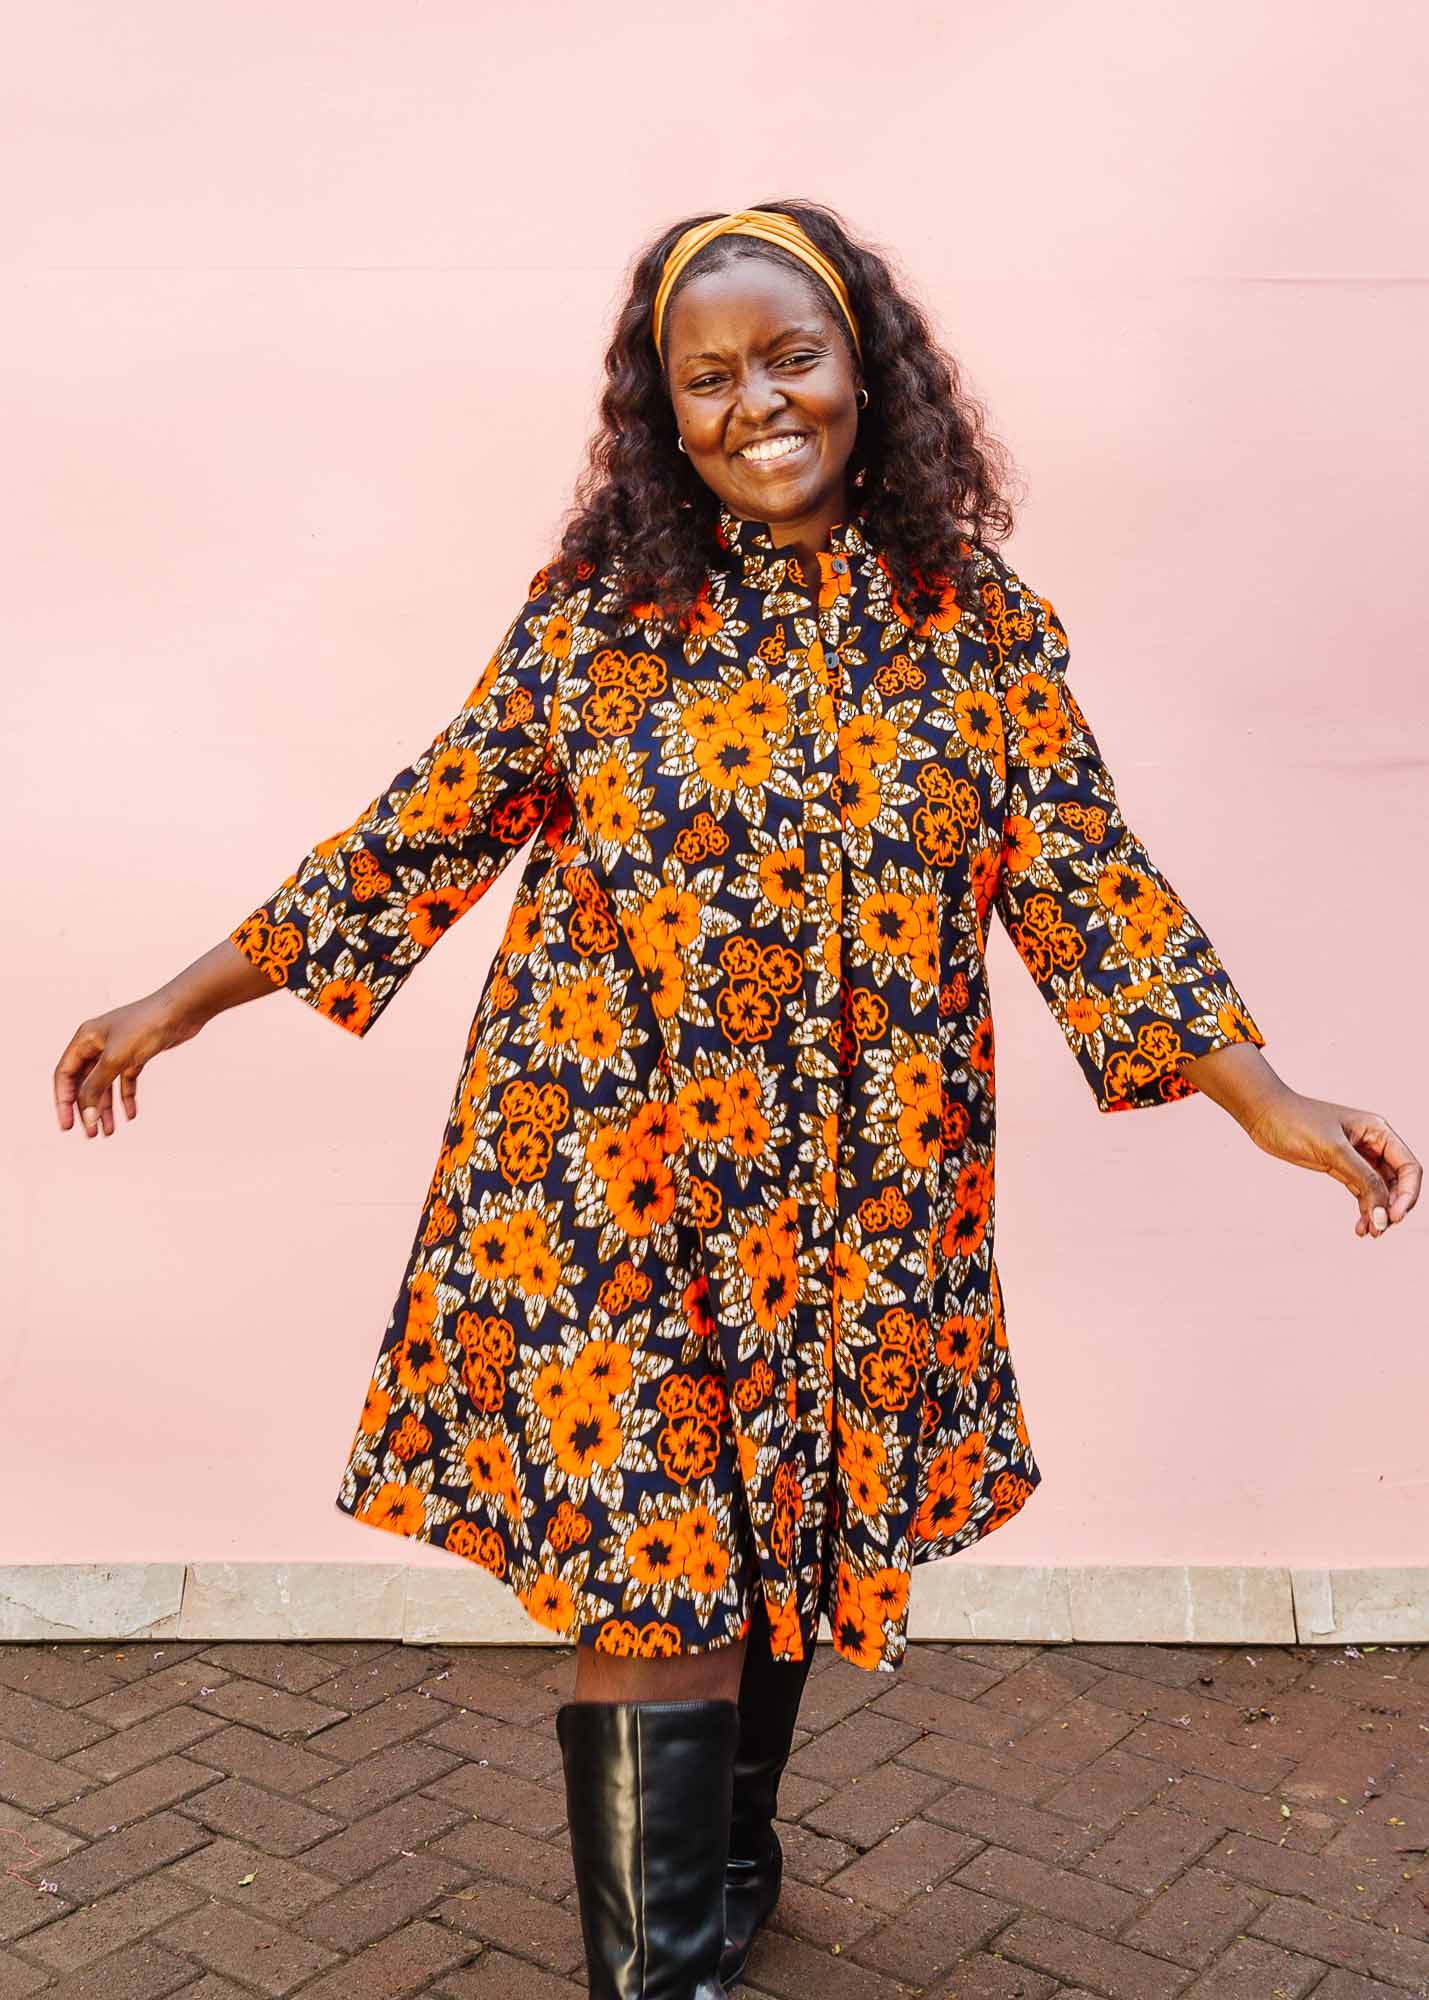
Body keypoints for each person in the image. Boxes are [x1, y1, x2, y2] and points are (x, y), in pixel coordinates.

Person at [55, 199, 1420, 1999]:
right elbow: (424, 830)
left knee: (778, 1532)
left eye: (791, 356)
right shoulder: (603, 619)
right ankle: (664, 1963)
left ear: (870, 372)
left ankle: (717, 1860)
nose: (755, 403)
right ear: (659, 409)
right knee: (655, 1565)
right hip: (604, 1178)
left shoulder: (976, 629)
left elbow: (1088, 883)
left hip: (860, 1190)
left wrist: (1259, 1094)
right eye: (707, 376)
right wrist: (186, 998)